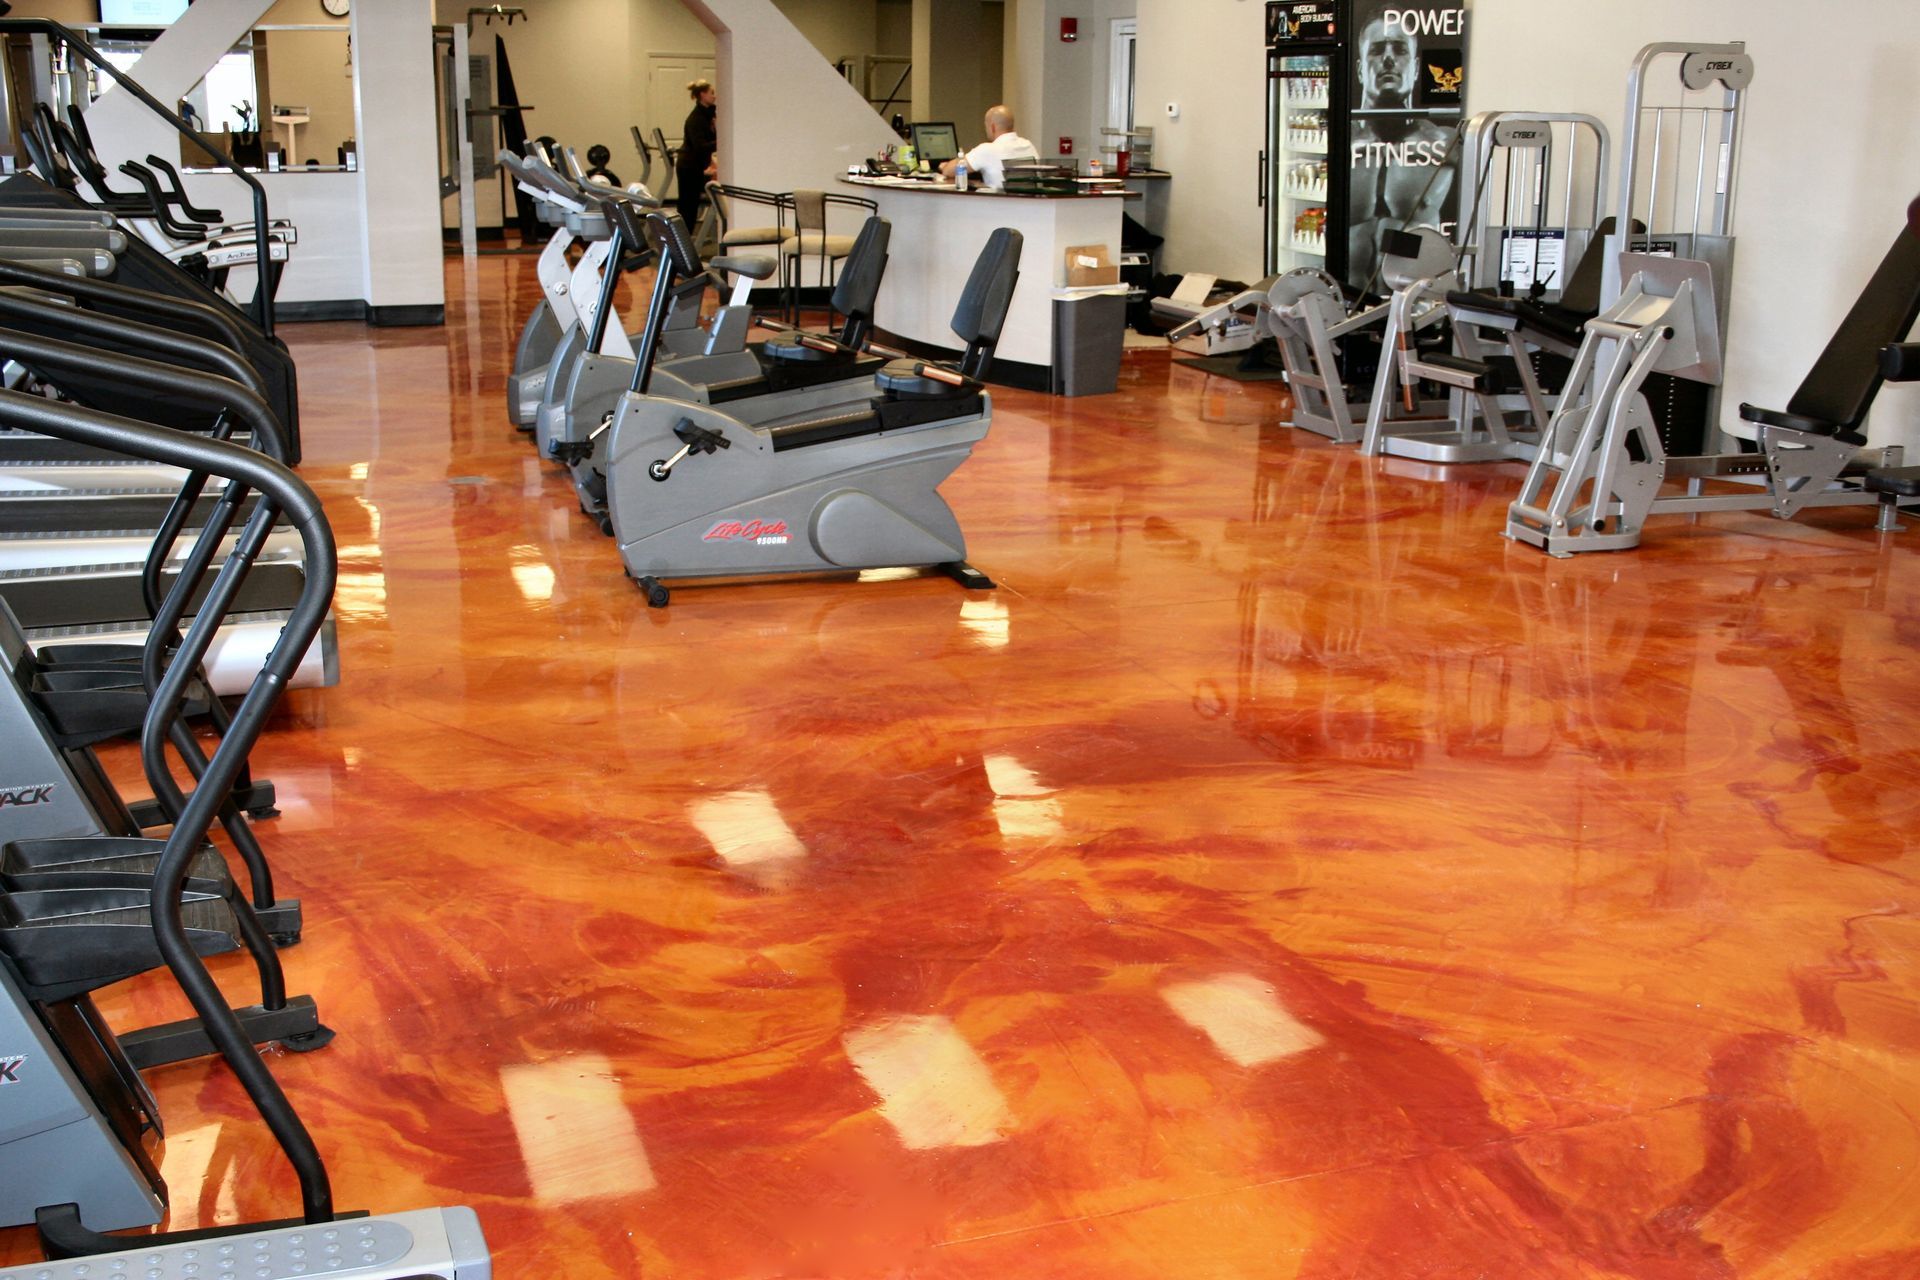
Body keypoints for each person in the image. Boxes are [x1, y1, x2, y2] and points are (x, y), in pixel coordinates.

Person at [1346, 12, 1456, 291]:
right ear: (1360, 70)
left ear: (1417, 68)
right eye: (1377, 49)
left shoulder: (1446, 143)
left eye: (1399, 49)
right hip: (1343, 308)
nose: (1388, 59)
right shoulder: (1338, 146)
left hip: (1413, 309)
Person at [939, 104, 1037, 191]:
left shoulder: (987, 149)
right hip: (1030, 207)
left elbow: (949, 171)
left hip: (996, 207)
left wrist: (945, 166)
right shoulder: (1028, 145)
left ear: (992, 127)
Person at [677, 78, 717, 231]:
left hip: (694, 165)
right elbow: (700, 146)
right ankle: (683, 239)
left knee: (690, 205)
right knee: (688, 206)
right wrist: (722, 142)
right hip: (688, 167)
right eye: (711, 93)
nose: (714, 96)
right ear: (702, 95)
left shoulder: (707, 116)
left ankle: (686, 239)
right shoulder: (696, 119)